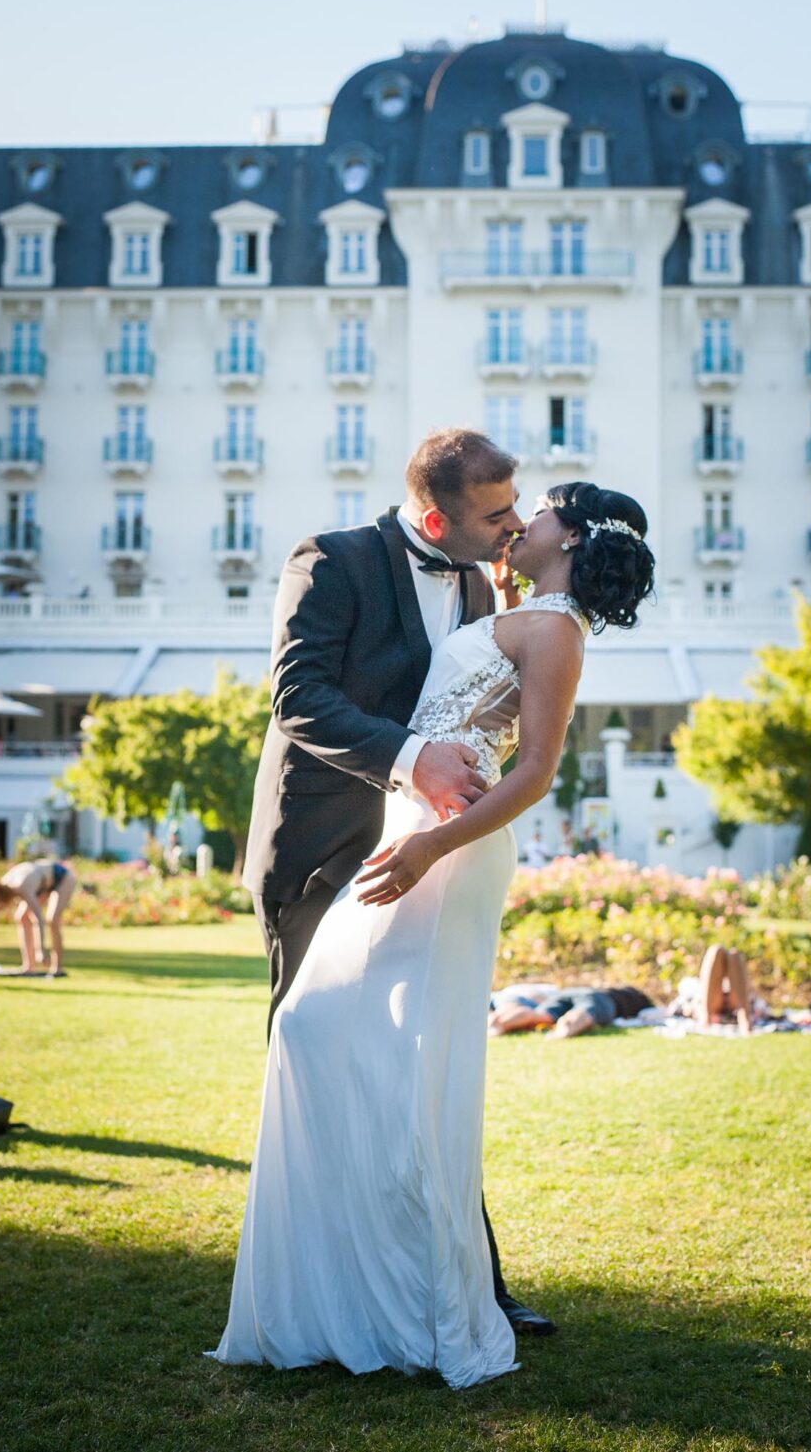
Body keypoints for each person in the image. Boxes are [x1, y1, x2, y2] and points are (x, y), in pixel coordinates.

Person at [207, 436, 655, 1387]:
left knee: (421, 1062)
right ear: (441, 517)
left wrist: (432, 822)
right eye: (497, 514)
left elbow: (518, 743)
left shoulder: (501, 597)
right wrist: (413, 767)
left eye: (521, 512)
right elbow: (298, 698)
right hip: (323, 838)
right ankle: (336, 1282)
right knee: (322, 1044)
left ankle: (454, 1287)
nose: (511, 523)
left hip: (427, 846)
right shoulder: (331, 559)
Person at [0, 858, 78, 977]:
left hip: (62, 877)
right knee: (21, 917)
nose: (2, 909)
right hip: (43, 882)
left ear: (7, 899)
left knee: (52, 920)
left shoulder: (22, 887)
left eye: (3, 907)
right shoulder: (1, 887)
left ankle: (57, 968)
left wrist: (40, 950)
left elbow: (38, 918)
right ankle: (29, 966)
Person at [489, 982, 656, 1038]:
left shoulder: (615, 990)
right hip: (600, 999)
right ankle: (563, 1033)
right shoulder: (637, 1000)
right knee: (584, 1015)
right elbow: (651, 1013)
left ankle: (498, 1024)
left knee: (542, 1015)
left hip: (570, 991)